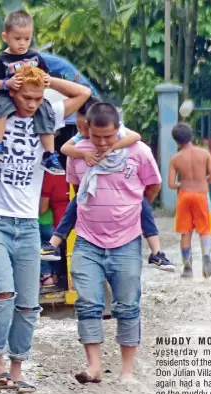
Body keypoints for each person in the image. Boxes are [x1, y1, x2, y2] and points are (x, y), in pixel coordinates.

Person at [0, 66, 91, 393]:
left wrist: (46, 81)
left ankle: (17, 367)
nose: (32, 103)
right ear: (13, 92)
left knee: (28, 302)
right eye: (26, 96)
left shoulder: (47, 116)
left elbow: (82, 95)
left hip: (26, 223)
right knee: (4, 290)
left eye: (38, 98)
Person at [65, 102, 162, 385]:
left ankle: (127, 371)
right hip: (87, 241)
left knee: (128, 305)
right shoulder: (78, 154)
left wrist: (131, 207)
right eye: (97, 137)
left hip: (127, 241)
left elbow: (152, 186)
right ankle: (93, 367)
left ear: (118, 128)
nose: (103, 142)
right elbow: (77, 190)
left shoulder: (139, 152)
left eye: (109, 136)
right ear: (88, 131)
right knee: (87, 303)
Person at [40, 97, 175, 272]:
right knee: (75, 207)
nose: (83, 131)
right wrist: (84, 154)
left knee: (143, 208)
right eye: (81, 127)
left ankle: (156, 252)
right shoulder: (82, 137)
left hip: (127, 204)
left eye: (83, 127)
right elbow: (65, 149)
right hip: (88, 192)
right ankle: (54, 243)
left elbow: (135, 137)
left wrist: (112, 147)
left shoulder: (119, 134)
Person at [0, 11, 63, 175]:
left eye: (27, 39)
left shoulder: (35, 56)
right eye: (17, 38)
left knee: (46, 113)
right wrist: (8, 83)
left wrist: (47, 80)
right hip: (7, 94)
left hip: (31, 96)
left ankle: (50, 154)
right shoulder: (1, 59)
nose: (22, 43)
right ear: (5, 37)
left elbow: (45, 74)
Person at [168, 122, 211, 279]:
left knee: (185, 231)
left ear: (176, 141)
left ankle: (187, 267)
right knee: (205, 231)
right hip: (201, 195)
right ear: (191, 136)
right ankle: (206, 257)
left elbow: (171, 184)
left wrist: (182, 184)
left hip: (184, 196)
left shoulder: (175, 159)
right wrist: (202, 180)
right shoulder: (204, 154)